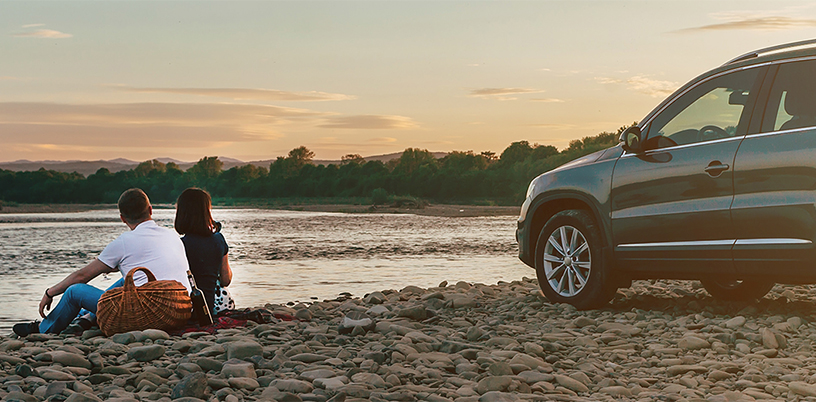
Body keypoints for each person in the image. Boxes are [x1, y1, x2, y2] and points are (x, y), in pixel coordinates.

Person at [13, 188, 191, 336]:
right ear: (150, 210)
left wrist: (50, 293)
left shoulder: (123, 242)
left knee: (75, 291)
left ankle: (43, 329)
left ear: (122, 218)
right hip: (179, 308)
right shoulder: (171, 235)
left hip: (149, 314)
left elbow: (82, 276)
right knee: (125, 281)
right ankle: (87, 317)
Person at [174, 188, 233, 316]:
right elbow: (226, 280)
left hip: (188, 307)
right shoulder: (219, 239)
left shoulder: (180, 245)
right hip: (216, 306)